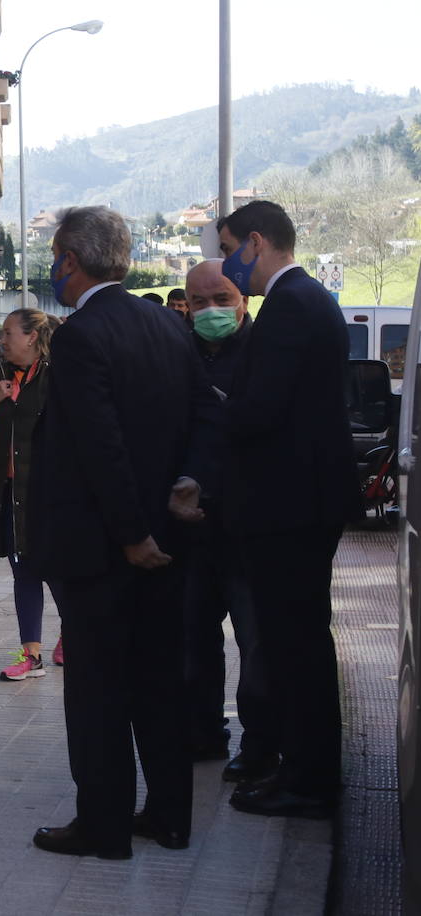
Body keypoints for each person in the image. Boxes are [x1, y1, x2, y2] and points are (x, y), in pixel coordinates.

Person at [27, 206, 218, 859]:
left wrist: (132, 533)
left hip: (105, 550)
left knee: (99, 692)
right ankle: (168, 816)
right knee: (160, 684)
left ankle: (104, 826)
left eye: (55, 257)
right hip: (167, 541)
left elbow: (100, 447)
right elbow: (205, 415)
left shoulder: (81, 337)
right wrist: (190, 481)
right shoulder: (168, 326)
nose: (54, 269)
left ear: (71, 261)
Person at [216, 200, 362, 818]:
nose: (224, 264)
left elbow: (261, 411)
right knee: (295, 641)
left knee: (294, 645)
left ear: (256, 242)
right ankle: (301, 770)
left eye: (227, 248)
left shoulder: (290, 308)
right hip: (303, 501)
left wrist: (214, 406)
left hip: (289, 506)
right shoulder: (308, 302)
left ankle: (308, 781)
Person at [179, 260, 276, 782]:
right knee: (193, 639)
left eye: (222, 298)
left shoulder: (264, 353)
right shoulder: (180, 353)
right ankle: (202, 733)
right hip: (193, 529)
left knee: (256, 642)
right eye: (199, 302)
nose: (211, 310)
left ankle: (259, 746)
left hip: (246, 527)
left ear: (243, 300)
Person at [0, 308, 61, 680]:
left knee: (59, 574)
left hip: (47, 497)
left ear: (31, 337)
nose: (2, 339)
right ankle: (32, 656)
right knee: (23, 574)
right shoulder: (5, 378)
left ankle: (75, 636)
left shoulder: (56, 379)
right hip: (12, 496)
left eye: (8, 333)